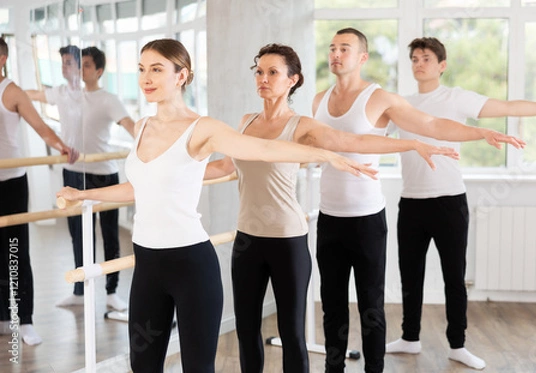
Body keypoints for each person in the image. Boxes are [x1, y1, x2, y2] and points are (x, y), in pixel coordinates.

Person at [56, 38, 378, 373]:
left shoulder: (203, 128)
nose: (146, 78)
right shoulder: (141, 127)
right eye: (141, 69)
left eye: (156, 69)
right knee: (143, 366)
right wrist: (84, 196)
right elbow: (139, 187)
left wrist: (324, 154)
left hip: (191, 265)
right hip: (147, 263)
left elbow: (263, 150)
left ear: (181, 76)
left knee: (198, 368)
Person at [204, 43, 460, 373]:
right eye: (259, 72)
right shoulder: (244, 122)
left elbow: (350, 142)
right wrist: (173, 176)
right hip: (247, 241)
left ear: (292, 80)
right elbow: (224, 166)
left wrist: (410, 143)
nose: (263, 79)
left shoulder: (302, 126)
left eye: (272, 72)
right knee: (246, 330)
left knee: (292, 334)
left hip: (287, 239)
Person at [312, 28, 527, 373]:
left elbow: (431, 123)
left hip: (366, 216)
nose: (336, 54)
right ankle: (333, 368)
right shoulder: (318, 99)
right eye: (332, 47)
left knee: (371, 304)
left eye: (345, 48)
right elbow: (317, 144)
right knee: (332, 305)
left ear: (362, 58)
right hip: (328, 216)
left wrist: (479, 132)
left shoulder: (380, 97)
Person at [385, 36, 536, 370]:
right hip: (411, 203)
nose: (418, 63)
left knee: (455, 277)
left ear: (442, 65)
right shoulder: (400, 105)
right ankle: (410, 338)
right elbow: (369, 135)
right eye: (414, 58)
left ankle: (458, 344)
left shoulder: (456, 98)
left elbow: (508, 107)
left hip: (449, 202)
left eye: (425, 58)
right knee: (410, 276)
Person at [27, 45, 135, 311]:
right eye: (76, 64)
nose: (76, 69)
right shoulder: (63, 93)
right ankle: (79, 291)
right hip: (73, 174)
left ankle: (111, 291)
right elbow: (31, 95)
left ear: (98, 71)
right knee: (78, 235)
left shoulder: (109, 99)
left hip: (103, 175)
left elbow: (132, 127)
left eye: (85, 65)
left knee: (109, 236)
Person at [0, 36, 78, 346]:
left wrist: (61, 145)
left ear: (2, 58)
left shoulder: (12, 91)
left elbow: (40, 125)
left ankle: (24, 320)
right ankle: (3, 317)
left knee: (15, 250)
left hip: (12, 183)